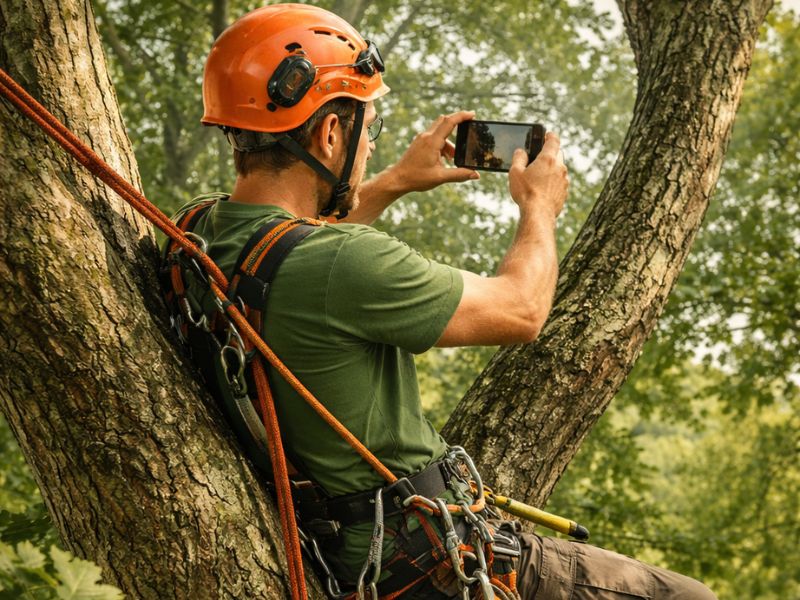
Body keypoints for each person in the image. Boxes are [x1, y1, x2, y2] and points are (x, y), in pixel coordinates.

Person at [167, 4, 717, 599]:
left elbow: (280, 250)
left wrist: (397, 181)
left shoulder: (194, 234)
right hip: (425, 558)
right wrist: (539, 209)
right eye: (366, 127)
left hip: (340, 548)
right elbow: (521, 310)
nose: (371, 148)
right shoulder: (346, 262)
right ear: (329, 133)